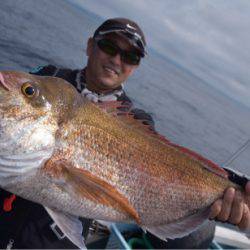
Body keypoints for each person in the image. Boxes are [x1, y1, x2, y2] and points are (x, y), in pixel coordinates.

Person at [0, 17, 249, 249]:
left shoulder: (138, 121)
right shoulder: (49, 77)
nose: (116, 60)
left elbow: (175, 168)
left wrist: (233, 188)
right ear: (90, 46)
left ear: (136, 66)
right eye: (109, 46)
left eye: (130, 56)